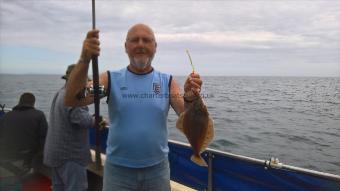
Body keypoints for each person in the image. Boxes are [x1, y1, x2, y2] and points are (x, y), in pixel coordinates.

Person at [64, 23, 204, 191]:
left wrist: (190, 98)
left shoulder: (167, 83)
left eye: (146, 40)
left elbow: (185, 113)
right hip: (118, 172)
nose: (140, 44)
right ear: (125, 46)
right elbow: (75, 98)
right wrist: (84, 60)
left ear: (155, 47)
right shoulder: (110, 82)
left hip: (157, 170)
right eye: (134, 40)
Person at [43, 64, 96, 191]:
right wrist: (96, 120)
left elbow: (72, 115)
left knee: (59, 187)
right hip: (70, 156)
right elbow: (83, 120)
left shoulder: (60, 92)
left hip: (55, 153)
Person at [0, 93, 48, 179]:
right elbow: (44, 138)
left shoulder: (7, 116)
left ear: (19, 102)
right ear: (33, 103)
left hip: (6, 155)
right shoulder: (39, 115)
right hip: (27, 157)